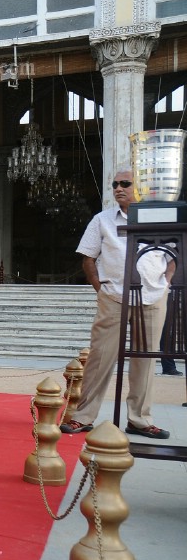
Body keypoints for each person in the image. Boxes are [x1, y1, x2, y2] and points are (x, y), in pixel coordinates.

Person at [61, 170, 172, 439]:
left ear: (140, 187)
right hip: (113, 298)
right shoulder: (102, 220)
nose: (118, 188)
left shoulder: (158, 218)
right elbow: (88, 257)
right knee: (100, 357)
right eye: (114, 184)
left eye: (125, 184)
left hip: (152, 298)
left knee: (145, 360)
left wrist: (165, 282)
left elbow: (174, 253)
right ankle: (83, 417)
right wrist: (100, 288)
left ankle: (140, 420)